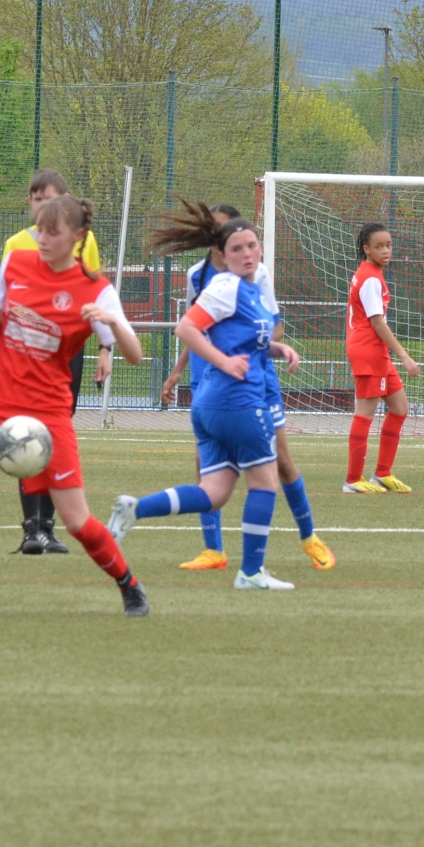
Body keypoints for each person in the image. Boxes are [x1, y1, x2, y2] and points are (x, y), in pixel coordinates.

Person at [0, 194, 150, 617]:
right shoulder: (15, 264)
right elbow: (1, 321)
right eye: (39, 231)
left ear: (78, 236)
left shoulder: (96, 290)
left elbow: (136, 355)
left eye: (52, 233)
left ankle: (129, 585)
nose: (42, 240)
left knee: (76, 520)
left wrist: (112, 324)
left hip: (48, 412)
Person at [110, 205, 303, 591]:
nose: (247, 253)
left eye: (252, 245)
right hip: (237, 402)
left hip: (213, 404)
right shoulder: (227, 286)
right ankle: (251, 573)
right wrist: (224, 361)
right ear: (222, 255)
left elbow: (240, 340)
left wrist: (278, 350)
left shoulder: (250, 289)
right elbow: (186, 328)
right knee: (265, 482)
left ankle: (134, 508)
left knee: (213, 493)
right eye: (237, 248)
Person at [156, 203, 335, 573]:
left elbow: (274, 325)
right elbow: (195, 327)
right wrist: (176, 373)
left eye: (243, 240)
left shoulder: (257, 272)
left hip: (256, 379)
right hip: (212, 380)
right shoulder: (197, 275)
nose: (236, 245)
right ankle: (214, 550)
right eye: (224, 237)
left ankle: (309, 537)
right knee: (205, 465)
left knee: (281, 461)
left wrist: (260, 348)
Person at [0, 169, 110, 556]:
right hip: (28, 351)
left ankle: (48, 527)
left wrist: (105, 348)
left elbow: (94, 294)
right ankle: (31, 529)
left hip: (68, 350)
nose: (43, 206)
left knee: (55, 431)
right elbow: (5, 303)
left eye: (50, 199)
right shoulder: (16, 244)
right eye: (37, 199)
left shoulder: (85, 240)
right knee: (27, 431)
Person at [344, 222, 420, 493]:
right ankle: (353, 480)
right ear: (367, 249)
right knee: (365, 414)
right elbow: (377, 322)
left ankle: (382, 473)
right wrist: (404, 356)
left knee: (399, 407)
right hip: (368, 350)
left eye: (388, 245)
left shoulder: (371, 273)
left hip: (376, 351)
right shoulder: (370, 279)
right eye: (379, 246)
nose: (386, 251)